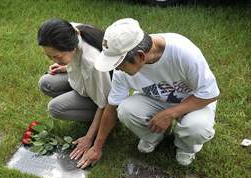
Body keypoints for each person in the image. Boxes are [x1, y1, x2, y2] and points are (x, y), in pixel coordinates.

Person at [90, 18, 220, 166]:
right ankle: (155, 136)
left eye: (119, 64)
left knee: (197, 128)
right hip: (156, 99)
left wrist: (170, 113)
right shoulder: (122, 72)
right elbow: (112, 105)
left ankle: (186, 147)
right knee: (126, 110)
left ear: (141, 56)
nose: (116, 69)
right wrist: (97, 146)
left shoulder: (184, 52)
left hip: (193, 100)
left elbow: (210, 94)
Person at [37, 18, 112, 167]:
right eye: (49, 56)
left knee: (56, 108)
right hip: (84, 84)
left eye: (57, 56)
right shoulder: (71, 31)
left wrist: (90, 139)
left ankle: (105, 124)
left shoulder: (92, 64)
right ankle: (79, 106)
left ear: (72, 47)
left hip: (103, 100)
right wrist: (65, 66)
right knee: (46, 83)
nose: (54, 60)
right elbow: (76, 61)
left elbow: (107, 104)